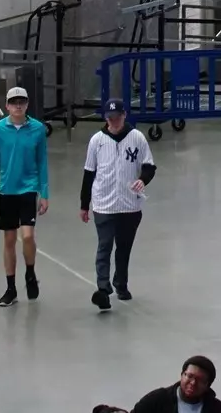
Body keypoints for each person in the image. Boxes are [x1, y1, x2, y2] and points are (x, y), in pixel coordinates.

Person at [82, 96, 156, 309]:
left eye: (117, 117)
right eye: (110, 118)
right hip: (104, 203)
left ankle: (120, 283)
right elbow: (89, 173)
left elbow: (149, 166)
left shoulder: (137, 138)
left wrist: (142, 180)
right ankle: (103, 288)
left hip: (129, 204)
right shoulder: (97, 140)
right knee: (104, 245)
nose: (114, 121)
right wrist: (84, 204)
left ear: (124, 116)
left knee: (123, 247)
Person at [0, 86, 50, 307]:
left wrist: (44, 193)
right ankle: (10, 288)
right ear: (7, 106)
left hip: (28, 189)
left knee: (28, 236)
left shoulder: (38, 129)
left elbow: (42, 162)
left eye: (22, 101)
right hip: (7, 190)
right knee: (9, 239)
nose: (18, 105)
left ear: (27, 104)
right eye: (14, 102)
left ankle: (30, 272)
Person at [128, 356, 221, 413]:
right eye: (189, 376)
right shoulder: (157, 399)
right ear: (182, 375)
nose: (193, 383)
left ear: (207, 385)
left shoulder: (218, 409)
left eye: (200, 380)